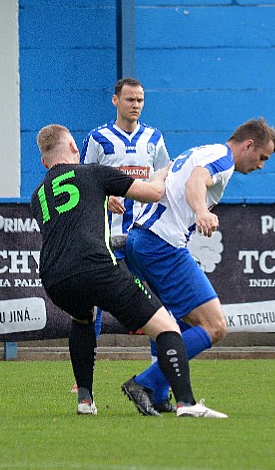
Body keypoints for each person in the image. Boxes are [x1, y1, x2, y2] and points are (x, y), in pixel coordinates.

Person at [30, 123, 226, 418]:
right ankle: (186, 402)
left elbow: (70, 212)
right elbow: (152, 193)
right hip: (95, 266)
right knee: (167, 327)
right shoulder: (94, 171)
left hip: (53, 277)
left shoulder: (38, 194)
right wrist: (161, 174)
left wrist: (100, 198)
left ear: (44, 162)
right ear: (74, 148)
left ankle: (85, 399)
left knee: (83, 319)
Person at [124, 117, 275, 406]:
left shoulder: (202, 150)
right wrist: (201, 211)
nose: (261, 165)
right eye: (262, 157)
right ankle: (144, 383)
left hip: (140, 240)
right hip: (163, 244)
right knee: (215, 326)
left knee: (168, 323)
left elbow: (167, 173)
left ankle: (159, 396)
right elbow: (196, 181)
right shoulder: (223, 159)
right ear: (248, 145)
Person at [76, 77, 171, 397]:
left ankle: (161, 372)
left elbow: (165, 179)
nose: (136, 105)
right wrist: (104, 197)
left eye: (140, 100)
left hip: (144, 238)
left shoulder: (154, 139)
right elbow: (82, 183)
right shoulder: (98, 139)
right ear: (115, 101)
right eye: (130, 99)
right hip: (108, 238)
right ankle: (83, 377)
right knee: (92, 308)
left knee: (155, 305)